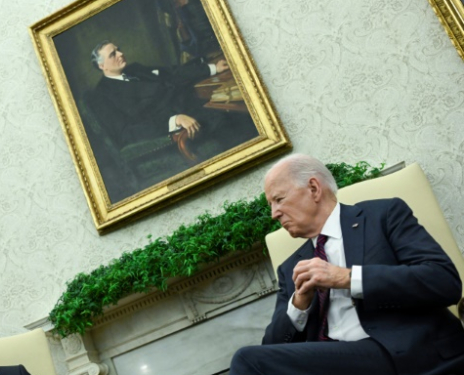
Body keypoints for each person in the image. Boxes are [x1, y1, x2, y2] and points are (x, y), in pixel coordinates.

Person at [229, 154, 464, 375]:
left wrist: (346, 278)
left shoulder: (383, 215)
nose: (274, 214)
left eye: (279, 200)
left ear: (313, 188)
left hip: (403, 354)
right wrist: (299, 306)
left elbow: (444, 281)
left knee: (247, 359)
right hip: (335, 361)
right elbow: (273, 350)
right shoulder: (291, 268)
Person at [87, 41, 258, 161]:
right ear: (102, 66)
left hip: (189, 104)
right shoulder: (103, 96)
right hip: (171, 129)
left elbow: (172, 73)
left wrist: (212, 68)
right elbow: (128, 133)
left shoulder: (135, 69)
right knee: (228, 119)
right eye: (113, 54)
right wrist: (174, 120)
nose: (121, 54)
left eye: (119, 49)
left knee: (239, 108)